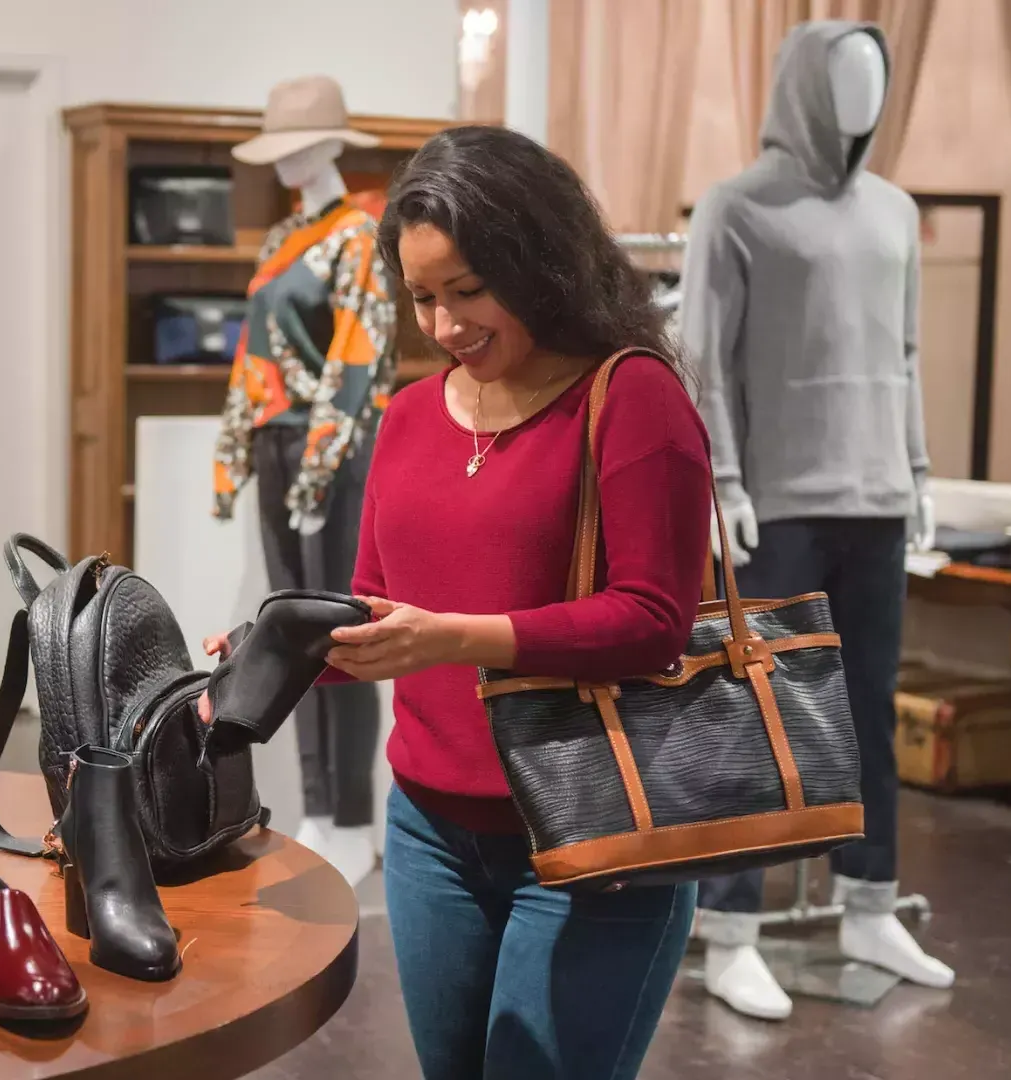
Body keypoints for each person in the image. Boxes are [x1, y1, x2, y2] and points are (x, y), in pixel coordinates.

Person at [202, 126, 712, 1079]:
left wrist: (456, 641)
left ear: (540, 263)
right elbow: (375, 610)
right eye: (422, 297)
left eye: (468, 291)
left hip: (592, 829)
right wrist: (263, 655)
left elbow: (655, 620)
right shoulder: (405, 420)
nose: (441, 325)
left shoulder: (631, 398)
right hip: (430, 832)